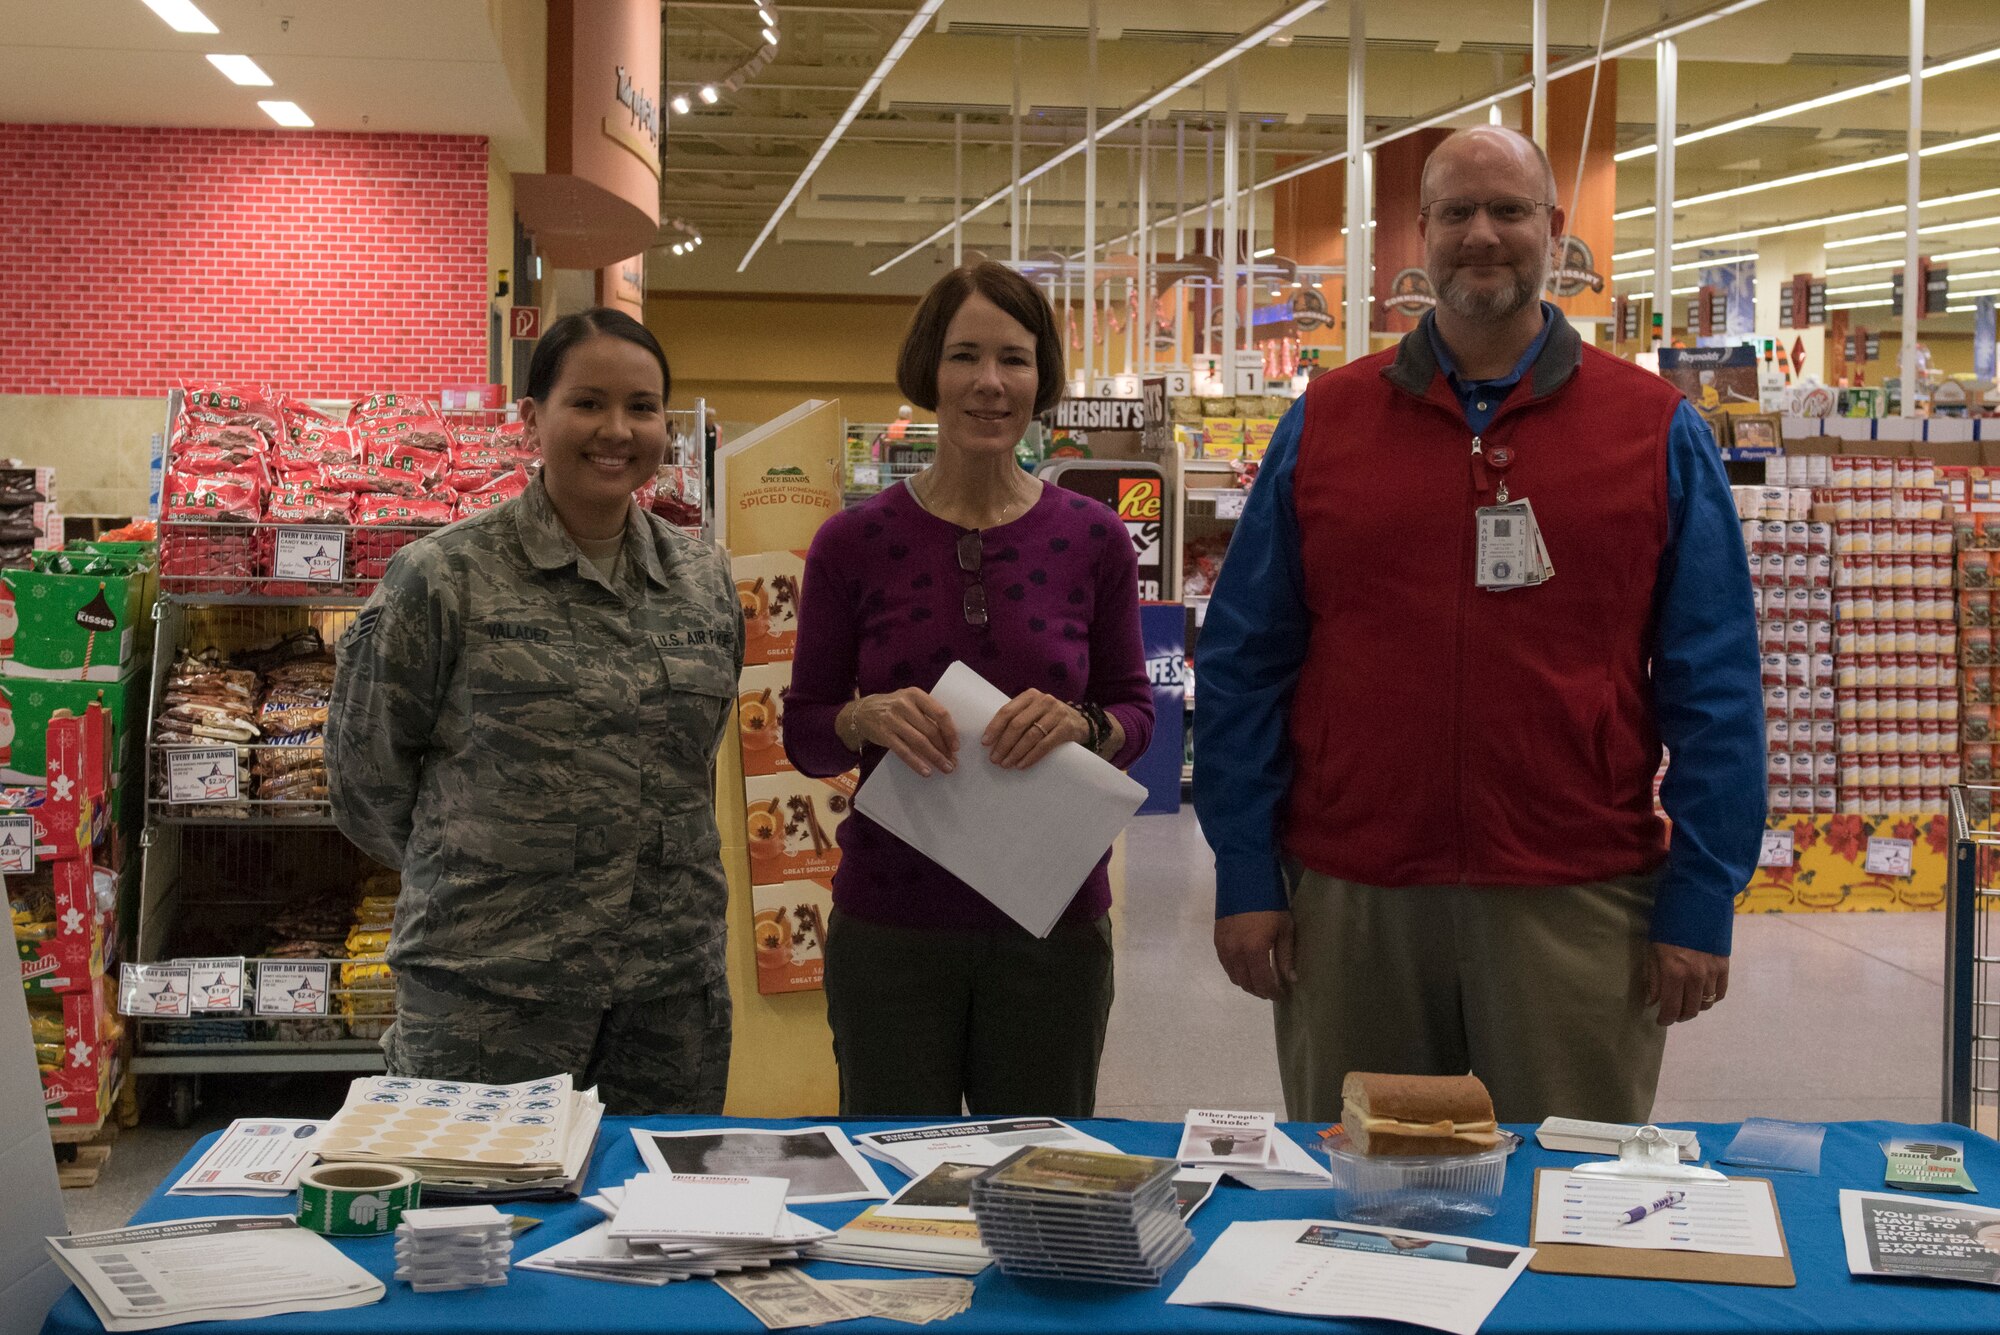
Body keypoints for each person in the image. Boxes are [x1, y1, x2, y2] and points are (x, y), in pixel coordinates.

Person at [1193, 126, 1764, 1125]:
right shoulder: (1323, 424)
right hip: (1352, 894)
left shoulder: (1652, 430)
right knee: (1359, 1206)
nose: (1481, 236)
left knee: (1566, 1204)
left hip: (1576, 897)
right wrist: (1246, 868)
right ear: (1418, 234)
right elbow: (1245, 661)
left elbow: (1711, 683)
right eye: (1455, 212)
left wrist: (1701, 892)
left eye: (1508, 211)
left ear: (1553, 229)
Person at [327, 307, 742, 1115]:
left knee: (654, 1229)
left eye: (643, 408)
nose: (616, 430)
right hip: (486, 992)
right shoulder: (442, 577)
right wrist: (489, 875)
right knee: (471, 1227)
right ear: (531, 419)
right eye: (587, 403)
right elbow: (365, 779)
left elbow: (691, 763)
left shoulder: (704, 581)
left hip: (666, 996)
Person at [784, 261, 1154, 1118]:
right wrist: (861, 714)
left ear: (1041, 378)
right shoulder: (854, 543)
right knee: (892, 1181)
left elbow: (1139, 714)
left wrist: (1084, 725)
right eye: (965, 357)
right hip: (891, 929)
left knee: (1037, 1177)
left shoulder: (1092, 539)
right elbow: (804, 731)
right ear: (929, 371)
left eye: (1014, 360)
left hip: (1052, 929)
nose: (990, 383)